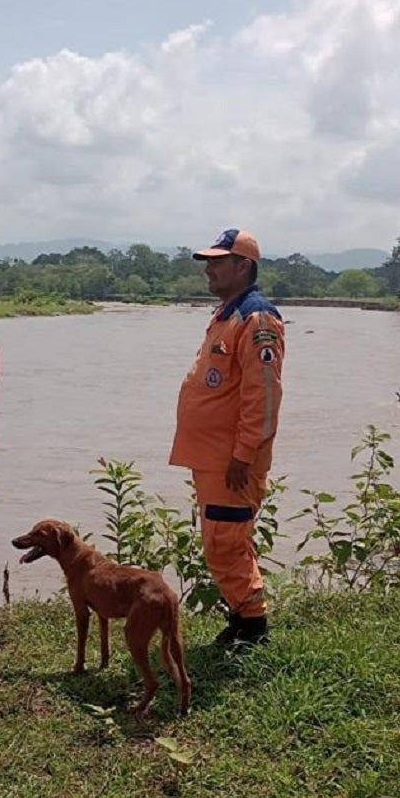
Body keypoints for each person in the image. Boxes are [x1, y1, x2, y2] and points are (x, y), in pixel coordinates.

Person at [169, 228, 285, 647]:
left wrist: (243, 453)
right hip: (214, 457)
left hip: (232, 461)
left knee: (226, 543)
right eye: (208, 263)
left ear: (243, 266)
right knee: (223, 540)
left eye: (219, 262)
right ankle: (241, 617)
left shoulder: (257, 319)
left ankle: (254, 629)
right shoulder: (227, 315)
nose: (209, 271)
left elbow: (264, 396)